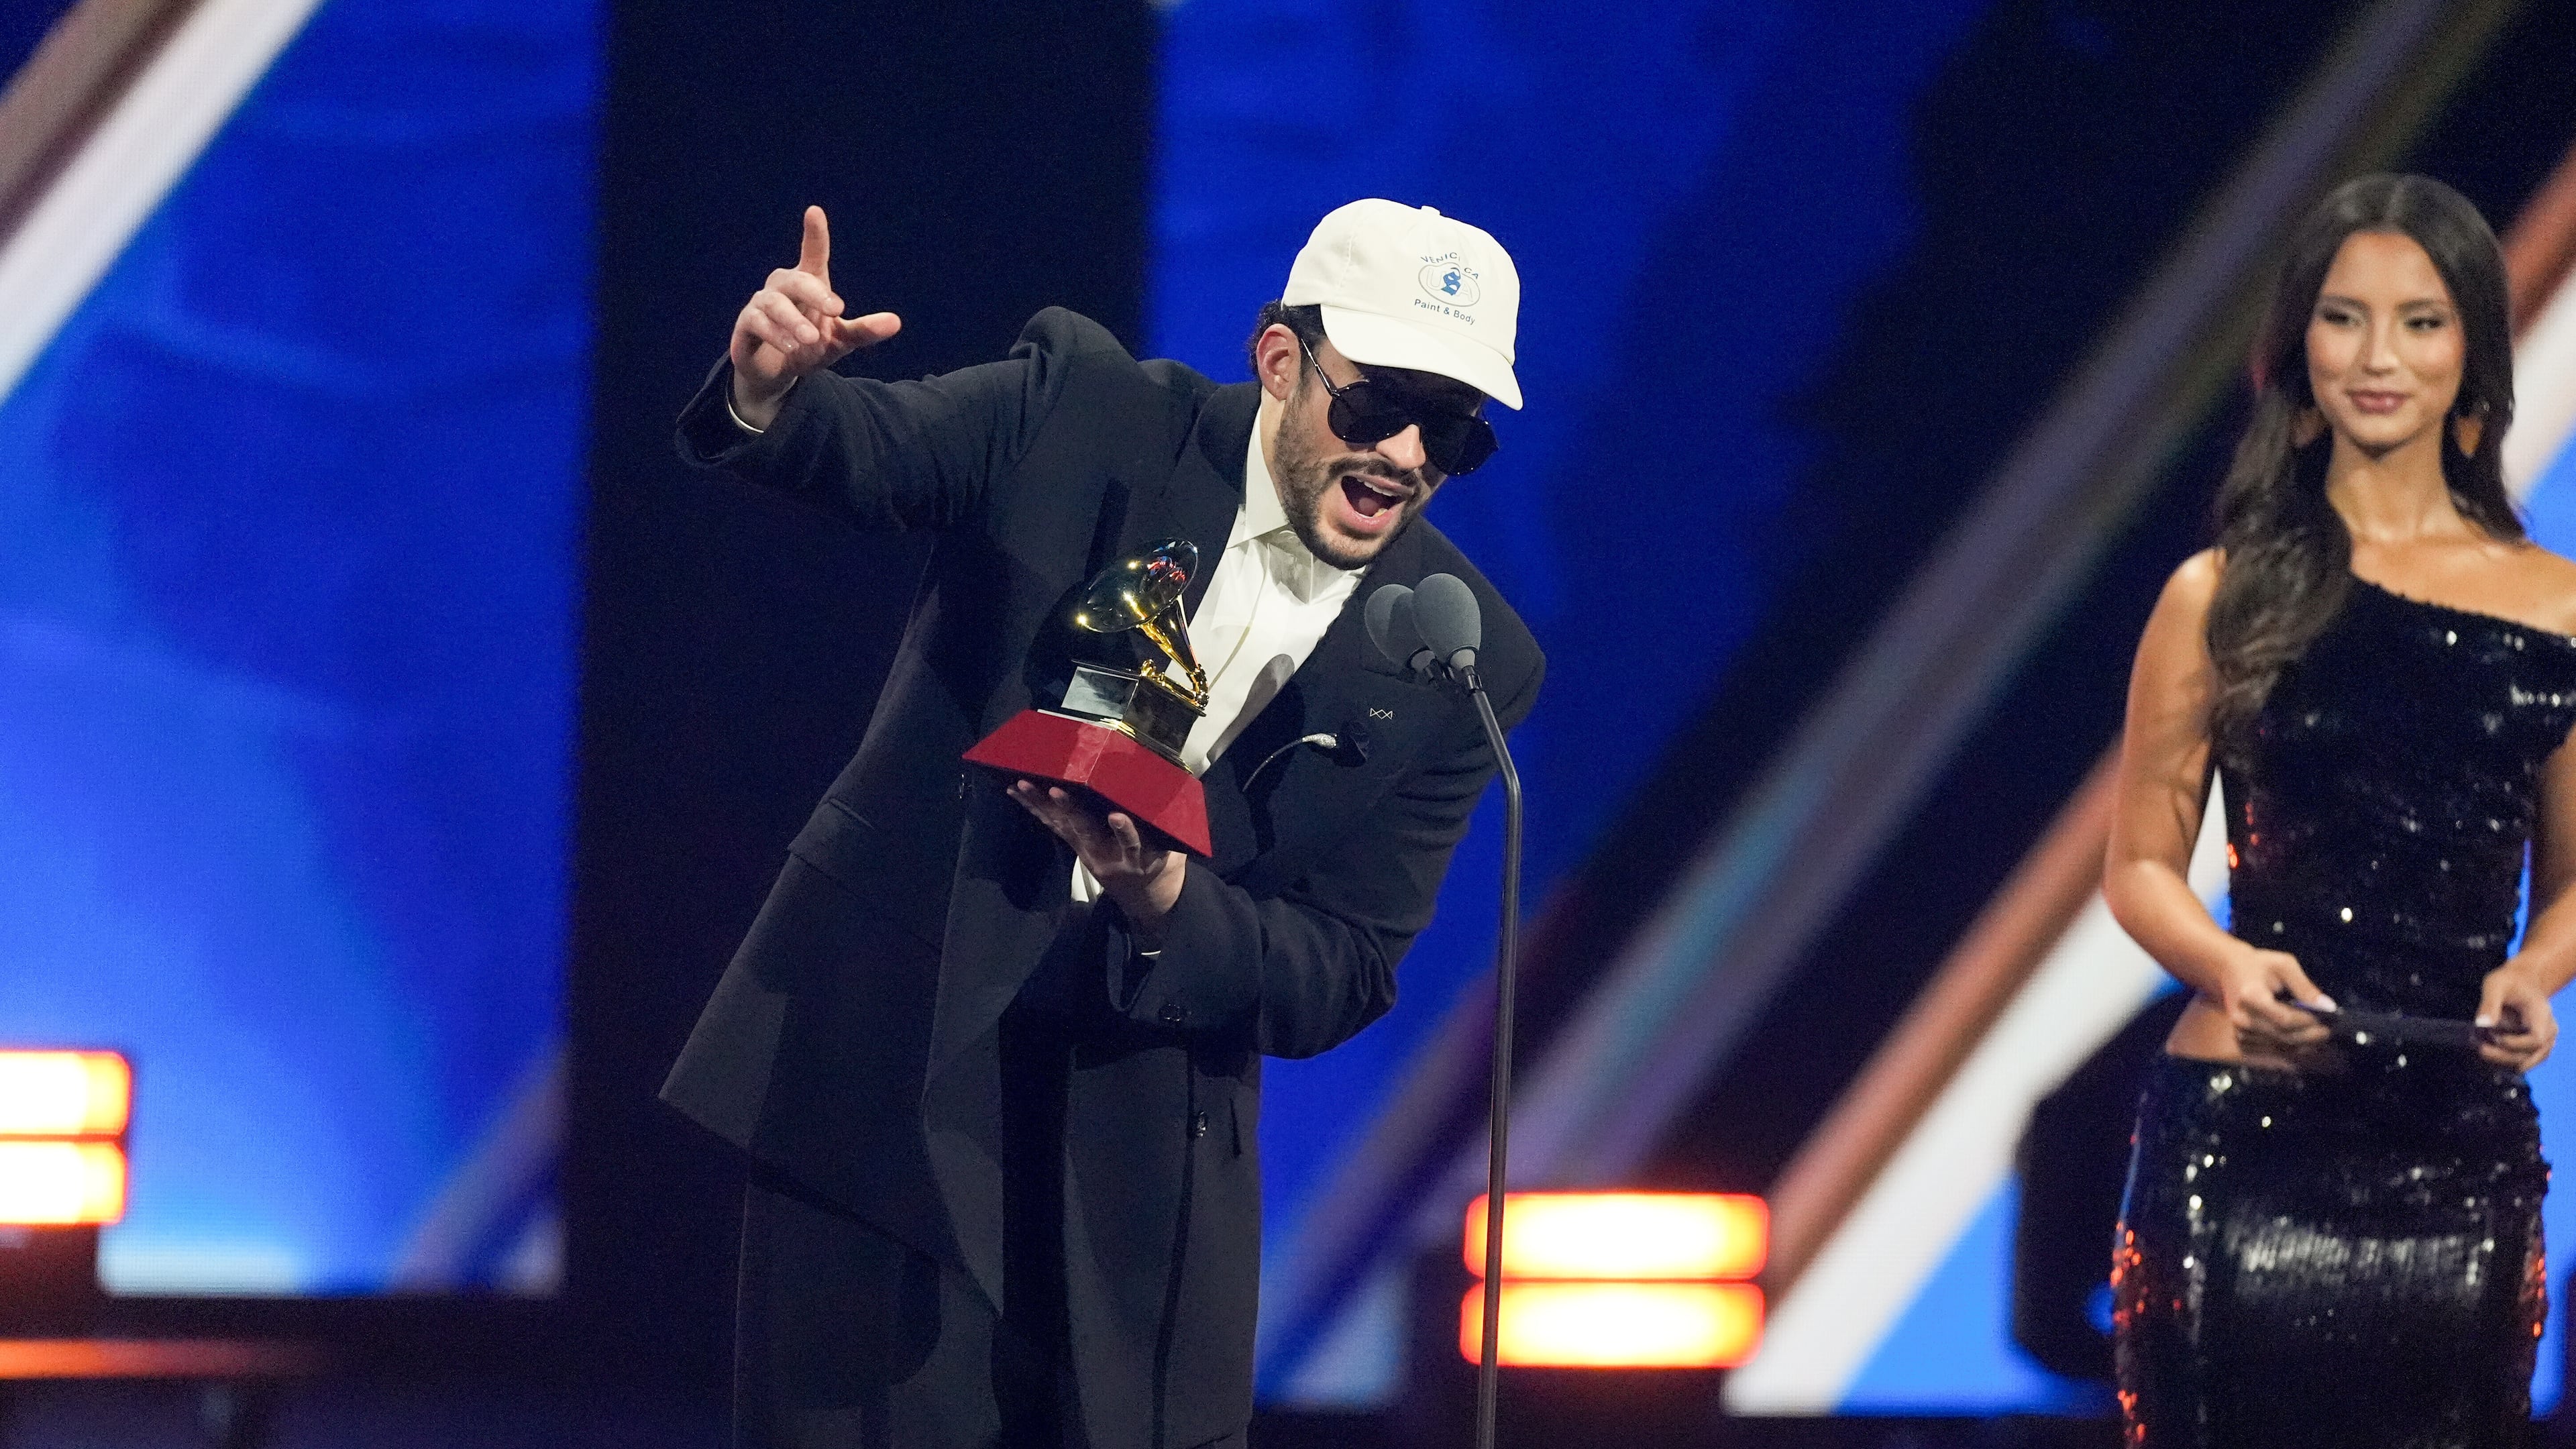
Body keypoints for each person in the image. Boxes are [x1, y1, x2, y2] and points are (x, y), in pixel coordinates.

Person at [658, 199, 1543, 1449]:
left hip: (1139, 1178)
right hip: (889, 1078)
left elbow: (1342, 969)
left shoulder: (1465, 662)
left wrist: (1167, 901)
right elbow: (876, 449)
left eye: (1448, 427)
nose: (1403, 452)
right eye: (1375, 403)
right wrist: (771, 390)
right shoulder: (1087, 408)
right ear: (1282, 362)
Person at [2103, 172, 2576, 1446]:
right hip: (2242, 1140)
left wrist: (2538, 969)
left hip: (2458, 1157)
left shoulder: (2563, 608)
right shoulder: (2218, 592)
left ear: (2474, 348)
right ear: (2297, 350)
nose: (2380, 358)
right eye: (2344, 318)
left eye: (2421, 322)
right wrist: (2226, 965)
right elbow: (2140, 864)